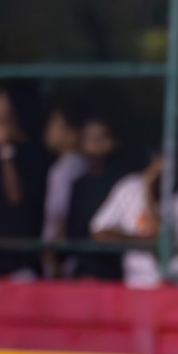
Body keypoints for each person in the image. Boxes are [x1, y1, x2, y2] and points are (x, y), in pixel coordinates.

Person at [90, 150, 178, 288]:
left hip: (173, 283)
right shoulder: (131, 186)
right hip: (135, 283)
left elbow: (159, 236)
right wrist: (138, 241)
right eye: (157, 160)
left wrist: (148, 190)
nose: (159, 166)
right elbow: (99, 232)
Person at [0, 87, 50, 277]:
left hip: (19, 266)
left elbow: (16, 199)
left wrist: (5, 149)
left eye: (1, 116)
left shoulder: (35, 154)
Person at [65, 113, 125, 280]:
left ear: (112, 142)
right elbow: (72, 234)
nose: (93, 143)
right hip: (82, 271)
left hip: (113, 273)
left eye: (99, 138)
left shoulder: (122, 184)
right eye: (88, 137)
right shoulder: (78, 185)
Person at [41, 105, 89, 278]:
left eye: (55, 125)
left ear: (72, 133)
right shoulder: (69, 165)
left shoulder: (69, 168)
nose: (48, 131)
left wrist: (55, 256)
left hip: (61, 260)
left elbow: (61, 215)